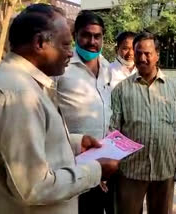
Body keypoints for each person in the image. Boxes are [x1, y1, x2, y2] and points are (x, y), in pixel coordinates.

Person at [0, 4, 119, 214]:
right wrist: (96, 170)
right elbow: (35, 187)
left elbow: (36, 142)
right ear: (39, 43)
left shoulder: (23, 83)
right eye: (65, 44)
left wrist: (74, 143)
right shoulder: (16, 94)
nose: (70, 52)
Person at [110, 32, 176, 214]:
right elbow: (114, 131)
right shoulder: (121, 90)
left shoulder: (174, 88)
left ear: (157, 55)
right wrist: (111, 165)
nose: (142, 58)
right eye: (138, 53)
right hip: (131, 171)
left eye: (147, 53)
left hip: (165, 170)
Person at [55, 10, 113, 214]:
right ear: (75, 35)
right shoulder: (62, 66)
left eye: (97, 36)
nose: (92, 41)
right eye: (86, 35)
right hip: (70, 162)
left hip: (101, 164)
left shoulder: (107, 67)